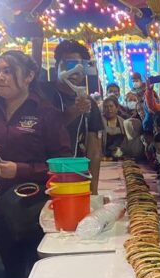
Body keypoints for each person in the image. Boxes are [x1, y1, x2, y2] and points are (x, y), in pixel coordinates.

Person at [0, 50, 72, 278]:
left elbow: (63, 165)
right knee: (7, 275)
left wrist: (21, 170)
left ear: (28, 76)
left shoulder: (45, 113)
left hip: (31, 210)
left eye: (8, 71)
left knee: (32, 274)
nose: (1, 77)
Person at [40, 40, 103, 194]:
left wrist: (92, 192)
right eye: (69, 65)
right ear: (56, 66)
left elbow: (94, 151)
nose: (75, 71)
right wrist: (74, 111)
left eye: (80, 66)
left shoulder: (90, 104)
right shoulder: (42, 93)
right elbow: (46, 128)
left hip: (73, 177)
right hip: (40, 174)